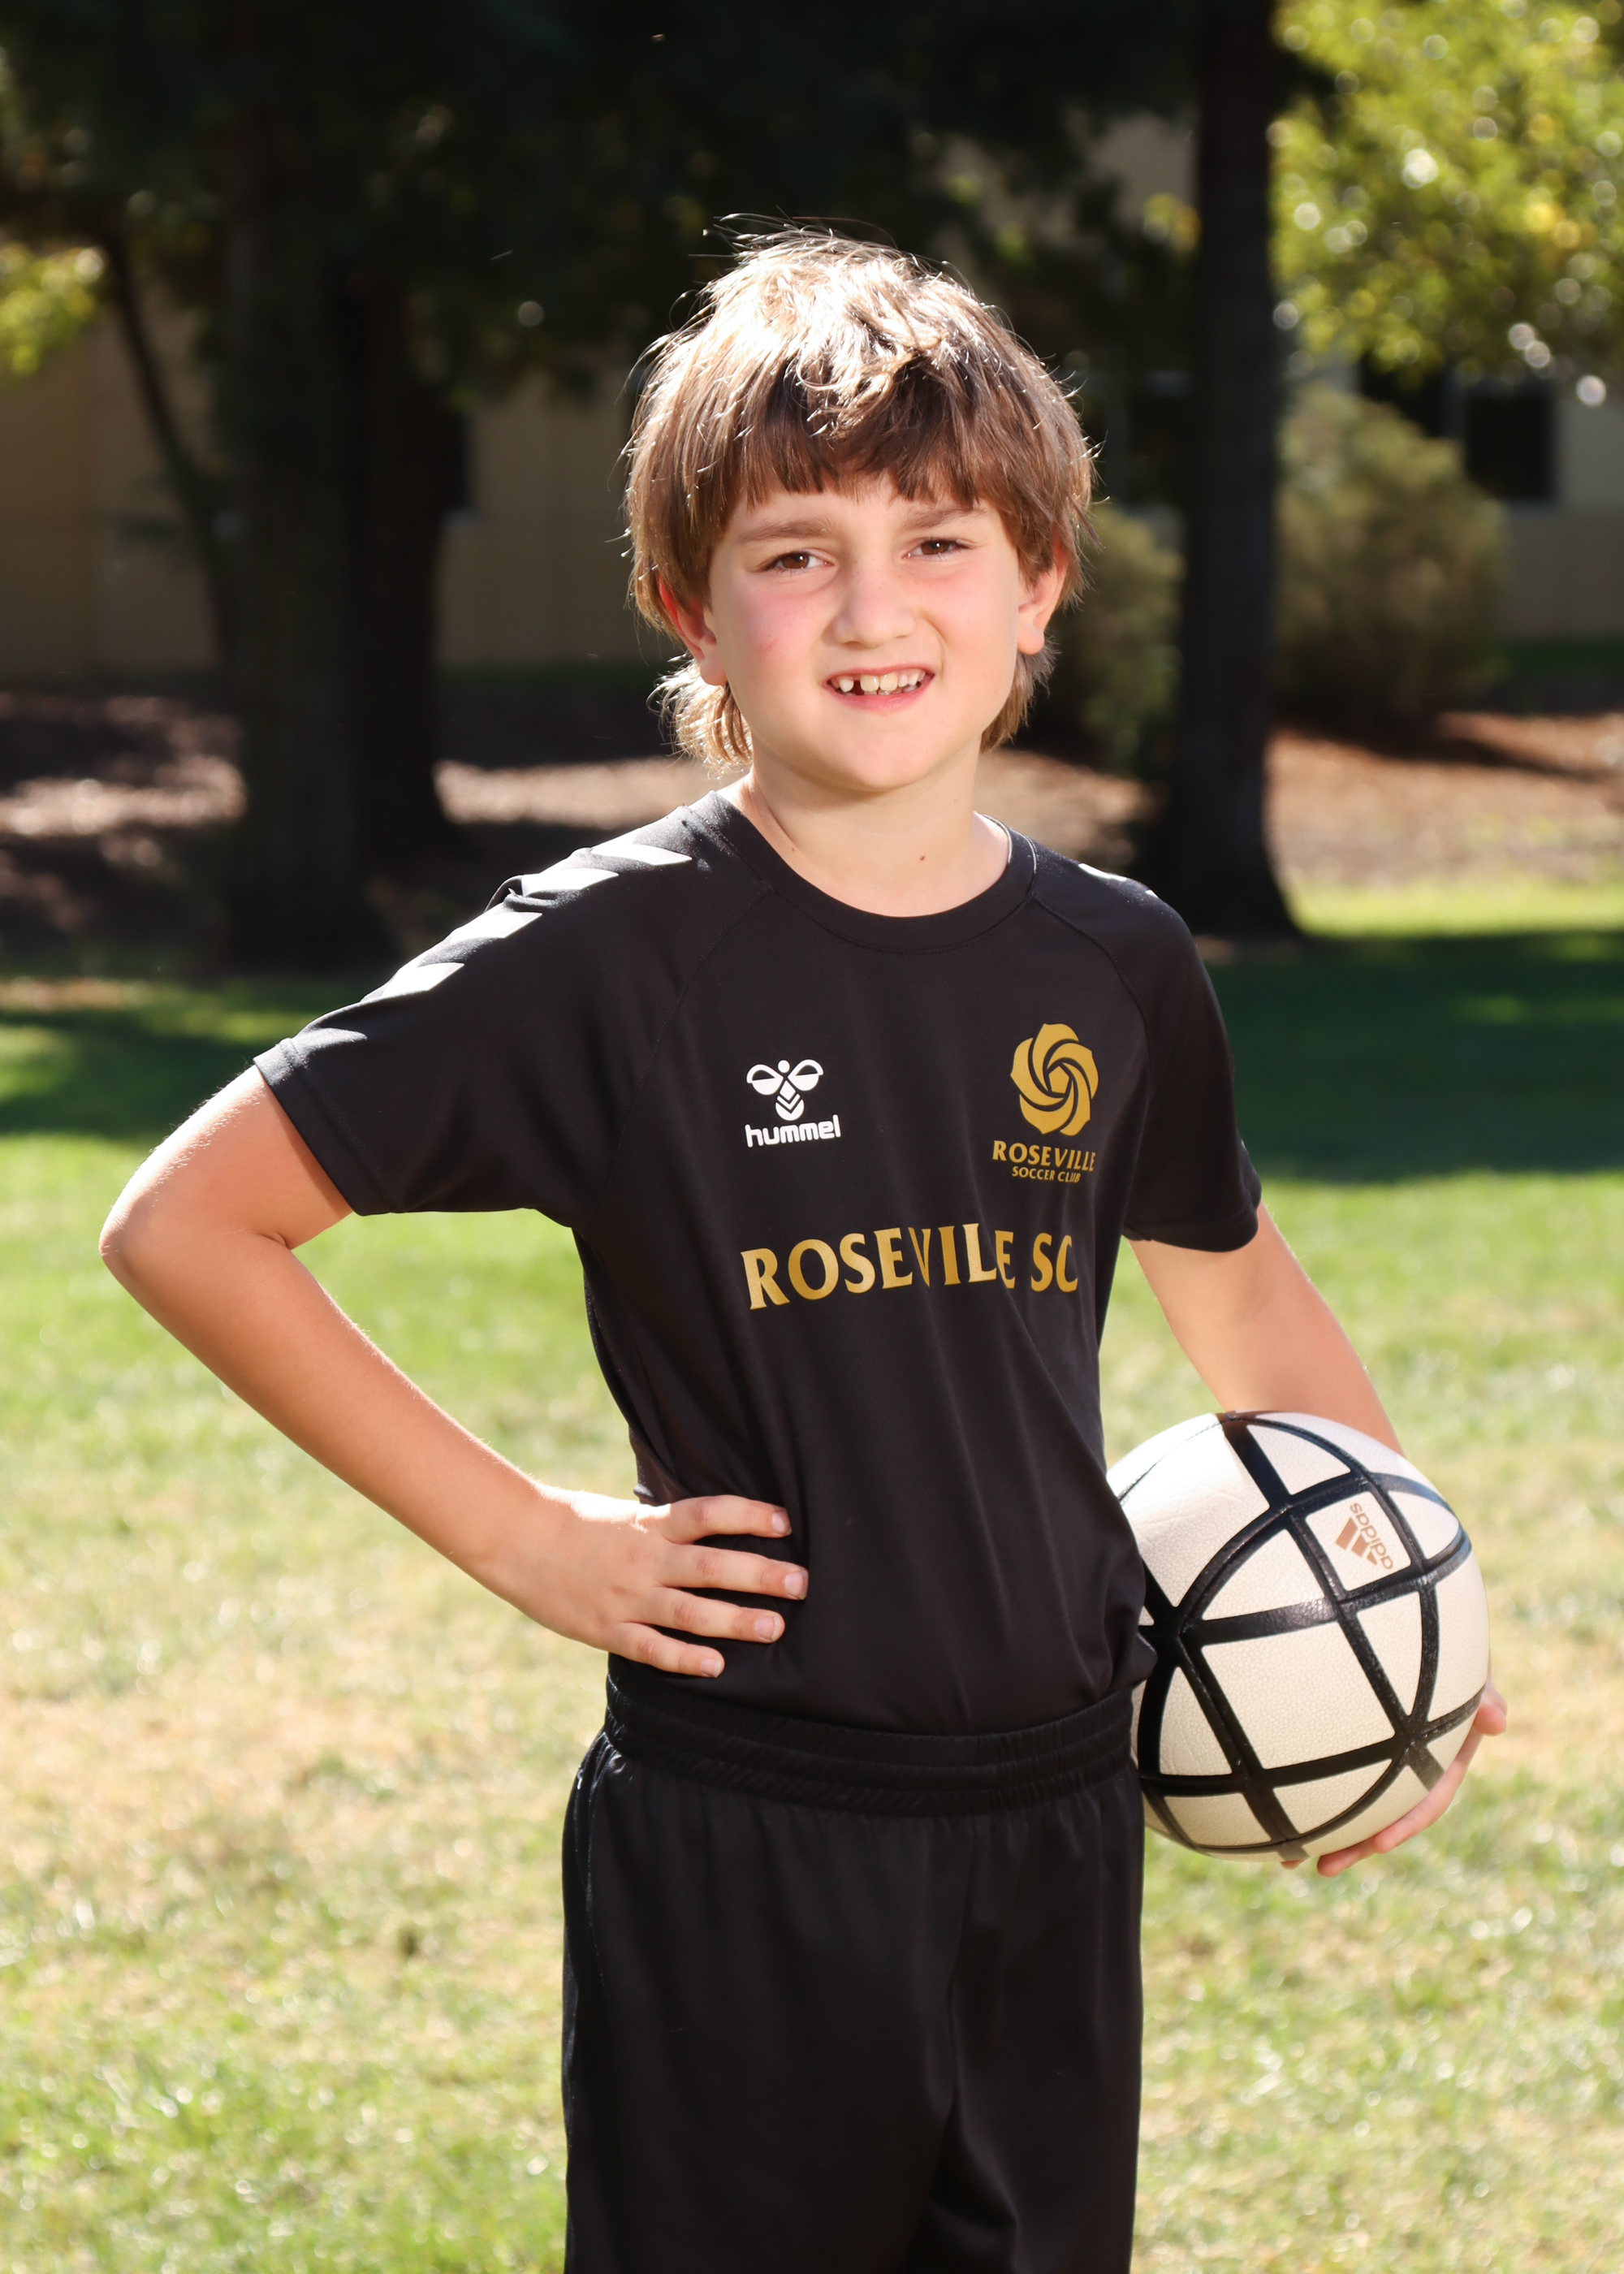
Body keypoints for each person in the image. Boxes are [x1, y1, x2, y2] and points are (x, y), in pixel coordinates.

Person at [100, 232, 1504, 2274]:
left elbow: (1242, 1297)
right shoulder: (611, 956)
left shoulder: (1114, 961)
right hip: (745, 1822)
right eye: (794, 551)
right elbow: (187, 1221)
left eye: (940, 542)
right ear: (691, 603)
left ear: (1038, 585)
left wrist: (1404, 1618)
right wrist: (525, 1537)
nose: (872, 606)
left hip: (1054, 1812)